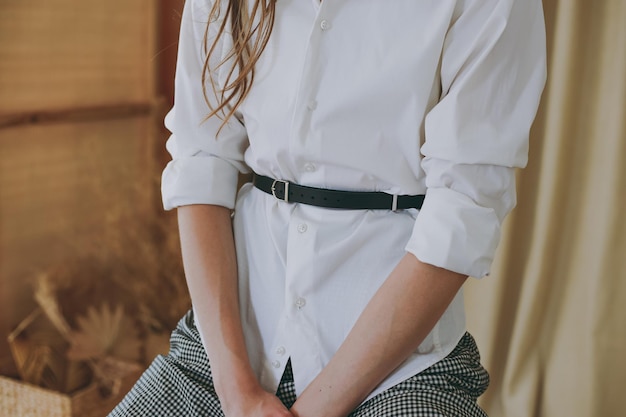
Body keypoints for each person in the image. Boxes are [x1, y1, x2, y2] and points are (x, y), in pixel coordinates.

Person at [110, 0, 546, 415]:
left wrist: (315, 409)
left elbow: (463, 209)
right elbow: (201, 161)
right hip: (231, 348)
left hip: (398, 369)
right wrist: (236, 390)